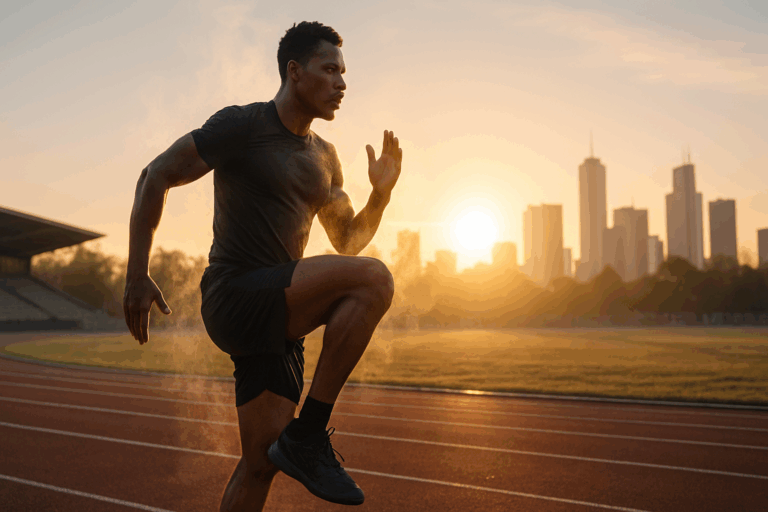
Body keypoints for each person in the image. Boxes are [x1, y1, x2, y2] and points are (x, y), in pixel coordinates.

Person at [123, 21, 402, 510]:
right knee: (376, 279)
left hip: (278, 319)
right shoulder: (242, 125)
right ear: (294, 71)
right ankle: (310, 433)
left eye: (343, 73)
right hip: (235, 294)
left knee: (260, 465)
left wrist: (380, 195)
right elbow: (155, 174)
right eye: (330, 70)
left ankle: (296, 442)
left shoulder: (325, 156)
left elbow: (348, 241)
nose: (341, 83)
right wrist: (136, 274)